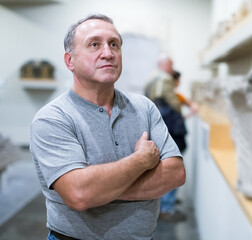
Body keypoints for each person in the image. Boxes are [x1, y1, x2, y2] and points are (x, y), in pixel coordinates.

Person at [29, 14, 185, 240]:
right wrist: (141, 161)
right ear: (69, 61)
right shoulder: (53, 118)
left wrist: (99, 191)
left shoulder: (144, 108)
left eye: (114, 44)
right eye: (94, 44)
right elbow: (79, 194)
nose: (108, 53)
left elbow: (175, 174)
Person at [144, 57, 190, 222]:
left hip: (158, 126)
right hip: (170, 127)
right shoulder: (165, 78)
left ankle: (164, 202)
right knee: (173, 162)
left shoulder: (152, 78)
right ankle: (167, 208)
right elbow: (174, 102)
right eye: (170, 65)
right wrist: (181, 107)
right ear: (164, 65)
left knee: (161, 163)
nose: (172, 68)